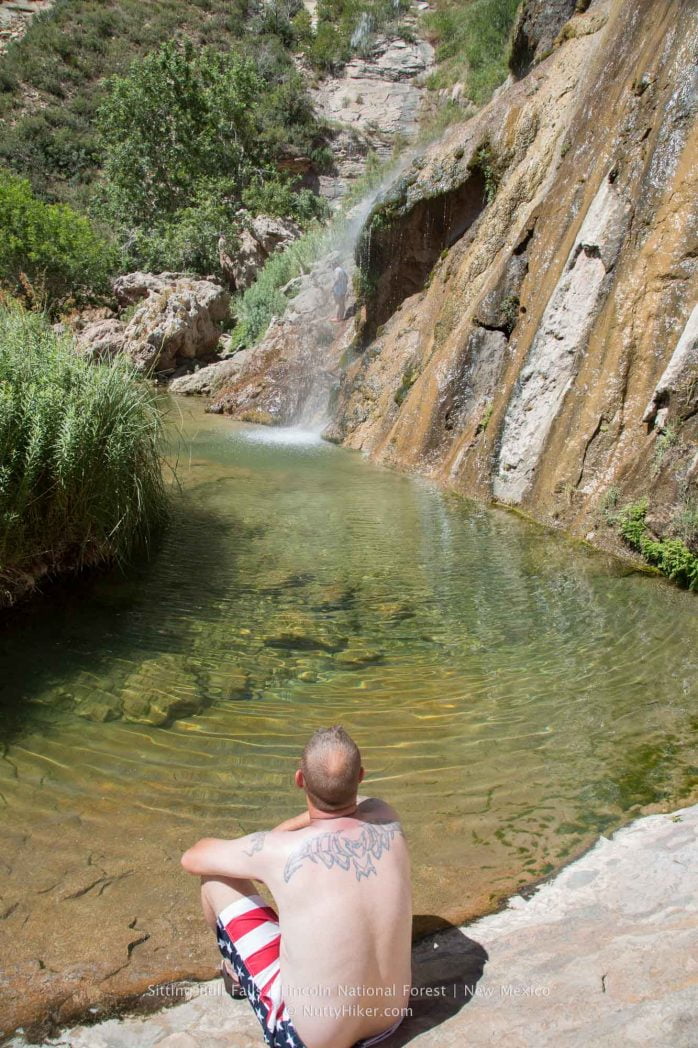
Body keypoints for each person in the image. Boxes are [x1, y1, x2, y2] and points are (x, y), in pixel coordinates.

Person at [181, 726, 412, 1048]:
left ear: (299, 779)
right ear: (360, 775)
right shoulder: (387, 818)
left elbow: (193, 858)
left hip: (306, 1039)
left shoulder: (279, 851)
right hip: (390, 1019)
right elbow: (360, 801)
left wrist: (270, 841)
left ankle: (235, 972)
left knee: (216, 879)